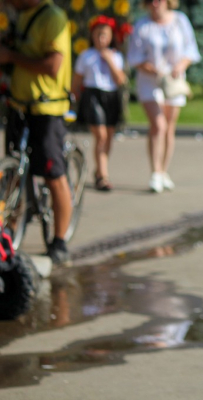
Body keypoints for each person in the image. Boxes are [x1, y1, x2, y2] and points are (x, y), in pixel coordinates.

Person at [0, 0, 72, 266]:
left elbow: (53, 66)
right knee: (13, 177)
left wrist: (11, 57)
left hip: (46, 109)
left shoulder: (53, 17)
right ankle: (9, 236)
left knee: (54, 176)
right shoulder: (18, 16)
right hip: (19, 105)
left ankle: (60, 241)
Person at [127, 0, 201, 193]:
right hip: (150, 82)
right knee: (157, 125)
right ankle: (155, 172)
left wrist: (180, 66)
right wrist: (153, 69)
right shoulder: (142, 25)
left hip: (174, 83)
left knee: (168, 128)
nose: (154, 3)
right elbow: (134, 57)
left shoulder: (180, 21)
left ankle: (164, 171)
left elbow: (190, 50)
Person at [71, 15, 127, 192]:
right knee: (101, 135)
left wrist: (109, 59)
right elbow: (77, 80)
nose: (101, 38)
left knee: (108, 136)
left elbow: (120, 80)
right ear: (92, 36)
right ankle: (103, 175)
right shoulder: (86, 56)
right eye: (98, 34)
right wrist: (73, 98)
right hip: (93, 96)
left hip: (110, 96)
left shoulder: (116, 56)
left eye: (105, 34)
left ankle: (100, 170)